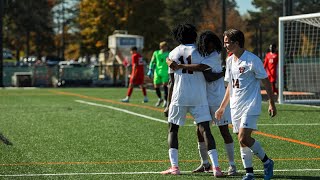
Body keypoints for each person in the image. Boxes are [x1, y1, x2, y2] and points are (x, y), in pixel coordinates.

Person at [167, 31, 237, 175]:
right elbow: (191, 62)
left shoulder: (214, 55)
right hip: (202, 97)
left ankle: (232, 165)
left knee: (224, 131)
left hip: (217, 98)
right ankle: (205, 163)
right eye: (207, 46)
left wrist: (179, 66)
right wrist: (168, 60)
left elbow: (208, 75)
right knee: (200, 131)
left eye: (212, 45)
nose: (210, 48)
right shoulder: (202, 53)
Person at [215, 29, 277, 180]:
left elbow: (266, 81)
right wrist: (222, 106)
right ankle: (249, 172)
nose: (225, 45)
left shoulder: (252, 60)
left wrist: (271, 103)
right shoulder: (230, 60)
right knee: (241, 140)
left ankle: (267, 162)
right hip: (235, 105)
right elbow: (230, 85)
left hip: (251, 105)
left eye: (227, 42)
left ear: (236, 43)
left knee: (243, 137)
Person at [147, 41, 169, 107]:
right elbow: (152, 61)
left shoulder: (169, 53)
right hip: (157, 72)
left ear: (166, 47)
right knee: (156, 86)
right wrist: (150, 70)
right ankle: (160, 98)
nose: (162, 48)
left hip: (165, 71)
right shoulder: (156, 53)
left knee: (165, 86)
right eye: (161, 47)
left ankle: (165, 100)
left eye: (163, 47)